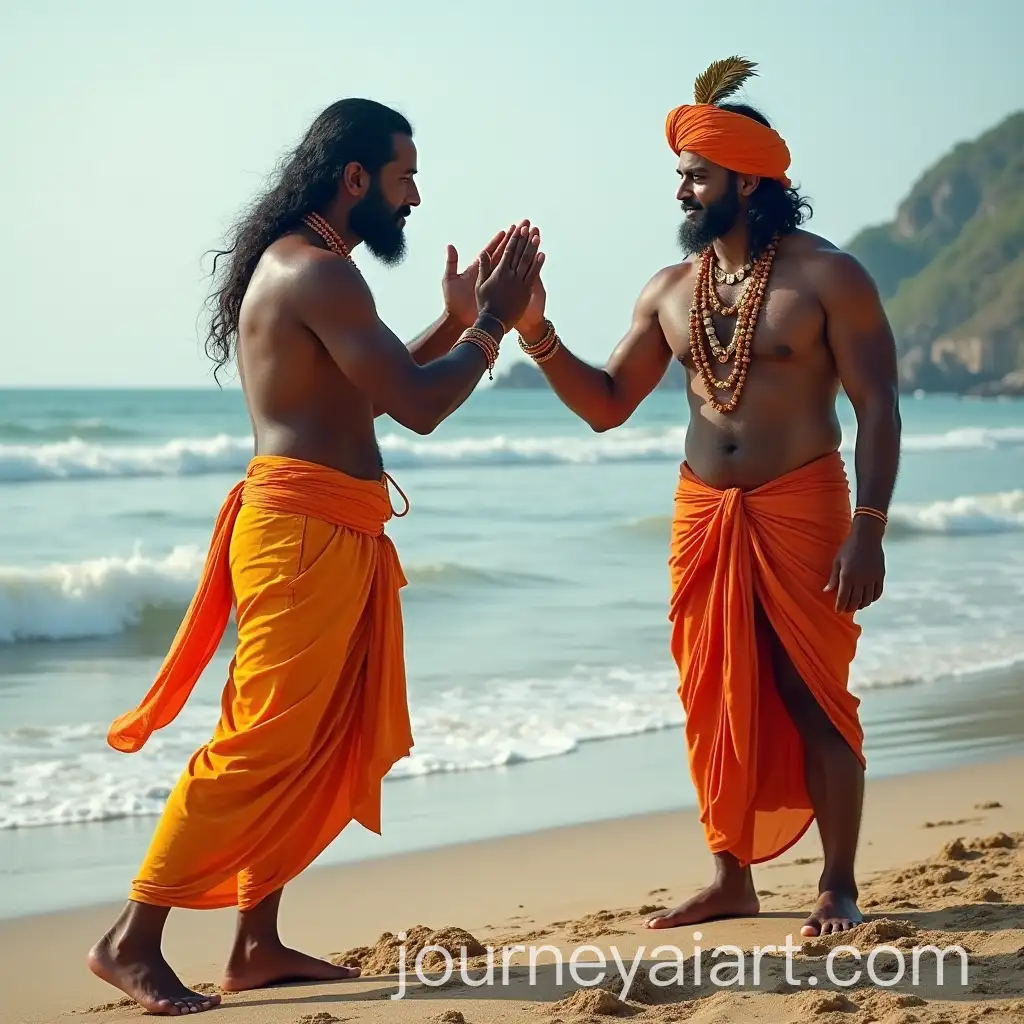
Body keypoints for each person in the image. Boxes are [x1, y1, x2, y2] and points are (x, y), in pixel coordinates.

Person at [86, 97, 544, 1015]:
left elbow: (371, 394)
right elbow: (420, 406)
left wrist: (455, 322)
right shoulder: (319, 273)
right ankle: (130, 939)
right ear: (355, 177)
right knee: (261, 741)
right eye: (406, 178)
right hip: (302, 533)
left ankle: (256, 943)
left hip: (323, 528)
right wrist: (492, 321)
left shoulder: (311, 266)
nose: (415, 199)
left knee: (308, 739)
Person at [512, 58, 900, 937]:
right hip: (703, 515)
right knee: (714, 690)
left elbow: (878, 406)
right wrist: (537, 330)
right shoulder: (669, 289)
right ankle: (731, 877)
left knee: (811, 689)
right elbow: (607, 404)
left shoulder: (828, 276)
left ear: (748, 180)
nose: (682, 190)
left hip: (803, 506)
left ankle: (837, 884)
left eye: (696, 175)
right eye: (681, 175)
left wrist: (869, 528)